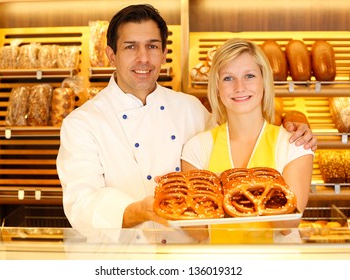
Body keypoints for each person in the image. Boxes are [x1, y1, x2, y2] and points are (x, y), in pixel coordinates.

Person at [56, 4, 316, 244]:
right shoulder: (82, 123)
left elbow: (239, 127)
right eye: (130, 47)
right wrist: (139, 210)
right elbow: (81, 205)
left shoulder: (189, 107)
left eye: (153, 46)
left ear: (164, 53)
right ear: (111, 55)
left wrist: (292, 121)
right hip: (125, 258)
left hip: (188, 257)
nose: (143, 58)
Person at [181, 38, 314, 243]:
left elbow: (288, 225)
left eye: (249, 76)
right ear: (217, 87)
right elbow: (198, 231)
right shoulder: (197, 147)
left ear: (264, 82)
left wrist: (235, 189)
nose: (239, 87)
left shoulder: (294, 145)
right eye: (228, 78)